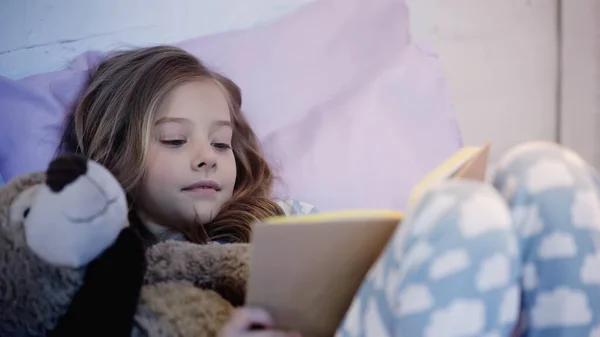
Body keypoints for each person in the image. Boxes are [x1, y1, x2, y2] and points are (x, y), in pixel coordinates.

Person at [59, 45, 307, 337]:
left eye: (220, 143)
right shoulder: (109, 279)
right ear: (114, 151)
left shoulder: (285, 220)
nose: (208, 157)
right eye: (175, 140)